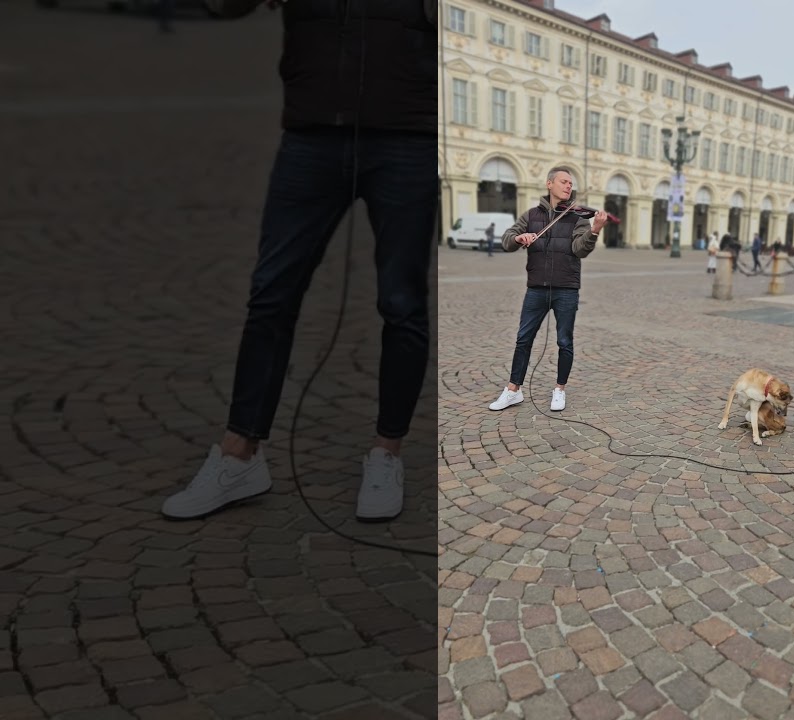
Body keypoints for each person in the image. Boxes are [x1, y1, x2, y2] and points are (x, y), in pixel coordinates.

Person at [161, 0, 434, 523]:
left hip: (408, 134)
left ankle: (386, 453)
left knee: (402, 303)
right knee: (272, 293)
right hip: (312, 131)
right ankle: (239, 456)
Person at [489, 168, 606, 414]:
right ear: (549, 183)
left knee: (564, 341)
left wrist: (593, 231)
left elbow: (579, 249)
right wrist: (519, 238)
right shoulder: (531, 215)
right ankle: (513, 390)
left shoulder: (578, 218)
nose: (568, 186)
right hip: (536, 289)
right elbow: (506, 239)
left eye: (571, 183)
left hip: (567, 289)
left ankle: (559, 389)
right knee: (523, 339)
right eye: (564, 182)